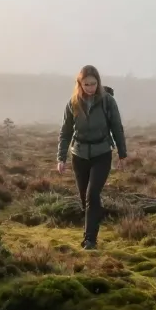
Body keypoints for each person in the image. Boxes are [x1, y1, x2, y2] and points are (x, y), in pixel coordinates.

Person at [57, 65, 128, 250]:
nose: (90, 88)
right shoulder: (72, 103)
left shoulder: (107, 101)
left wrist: (122, 154)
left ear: (98, 83)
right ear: (80, 84)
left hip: (101, 154)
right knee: (85, 198)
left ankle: (90, 240)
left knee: (92, 194)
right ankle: (94, 220)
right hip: (79, 155)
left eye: (93, 84)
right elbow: (65, 132)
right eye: (86, 84)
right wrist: (61, 158)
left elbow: (117, 127)